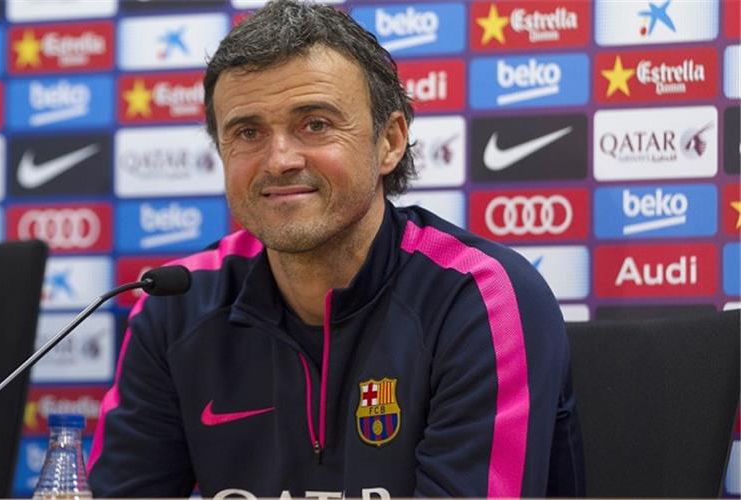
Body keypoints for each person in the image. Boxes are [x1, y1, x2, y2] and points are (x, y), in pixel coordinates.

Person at [87, 0, 585, 497]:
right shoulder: (176, 306)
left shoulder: (478, 298)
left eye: (315, 124)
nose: (279, 159)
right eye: (248, 132)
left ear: (389, 141)